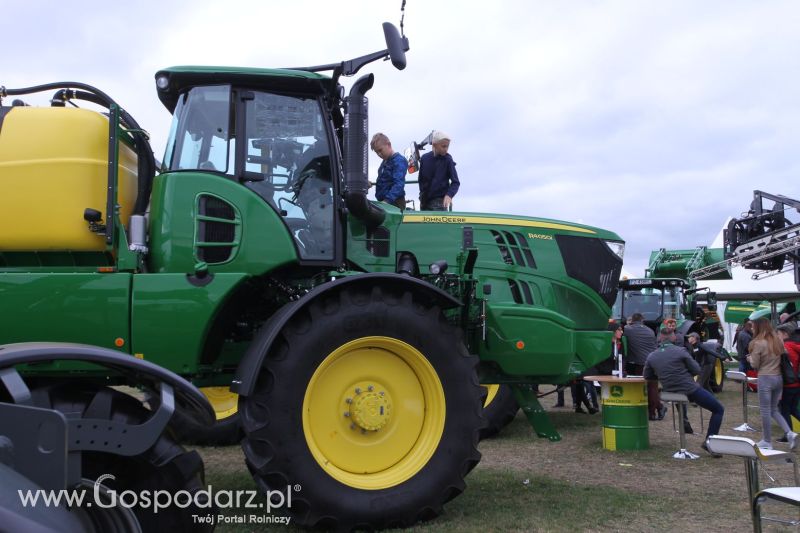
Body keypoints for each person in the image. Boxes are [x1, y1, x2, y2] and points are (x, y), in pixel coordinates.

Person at [644, 328, 726, 457]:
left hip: (669, 392)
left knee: (682, 397)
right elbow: (697, 370)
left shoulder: (652, 356)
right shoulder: (680, 352)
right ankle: (710, 442)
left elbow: (648, 376)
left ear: (659, 338)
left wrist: (664, 376)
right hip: (689, 389)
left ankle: (684, 419)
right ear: (674, 338)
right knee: (718, 409)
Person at [747, 317, 798, 450]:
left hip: (765, 377)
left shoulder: (758, 343)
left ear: (758, 327)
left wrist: (750, 359)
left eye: (753, 326)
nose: (752, 328)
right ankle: (789, 432)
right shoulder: (777, 341)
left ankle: (767, 441)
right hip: (778, 378)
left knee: (765, 410)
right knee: (774, 409)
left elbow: (755, 364)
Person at [624, 313, 666, 420]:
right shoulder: (650, 331)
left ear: (632, 320)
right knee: (653, 389)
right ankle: (656, 409)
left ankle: (654, 411)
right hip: (653, 362)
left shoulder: (628, 330)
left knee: (644, 389)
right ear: (642, 320)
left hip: (640, 364)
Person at [418, 131, 459, 211]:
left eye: (447, 146)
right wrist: (421, 195)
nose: (446, 149)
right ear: (434, 145)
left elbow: (456, 182)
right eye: (443, 146)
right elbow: (421, 180)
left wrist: (449, 195)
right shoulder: (424, 158)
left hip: (439, 202)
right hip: (424, 201)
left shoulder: (448, 160)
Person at [370, 133, 407, 210]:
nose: (379, 154)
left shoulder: (399, 161)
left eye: (380, 150)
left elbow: (399, 184)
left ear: (389, 145)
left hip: (395, 203)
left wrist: (387, 201)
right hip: (384, 202)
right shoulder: (384, 162)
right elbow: (384, 181)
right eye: (377, 152)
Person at [778, 323, 800, 439]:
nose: (777, 336)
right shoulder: (796, 344)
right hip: (797, 383)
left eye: (779, 334)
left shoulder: (786, 347)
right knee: (793, 409)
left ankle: (788, 435)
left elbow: (782, 366)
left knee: (784, 410)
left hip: (789, 384)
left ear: (785, 334)